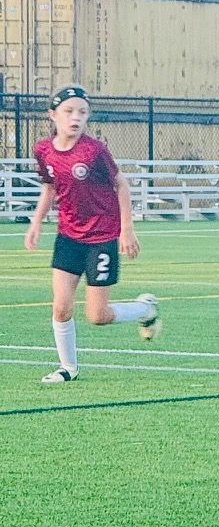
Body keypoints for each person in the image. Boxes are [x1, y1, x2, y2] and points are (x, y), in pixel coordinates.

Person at [24, 86, 160, 384]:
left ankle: (146, 309)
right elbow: (49, 187)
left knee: (97, 316)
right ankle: (68, 368)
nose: (76, 118)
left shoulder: (94, 151)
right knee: (60, 306)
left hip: (101, 237)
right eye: (69, 112)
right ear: (53, 115)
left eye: (82, 112)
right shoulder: (44, 150)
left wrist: (127, 229)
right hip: (68, 236)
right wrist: (36, 222)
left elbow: (121, 185)